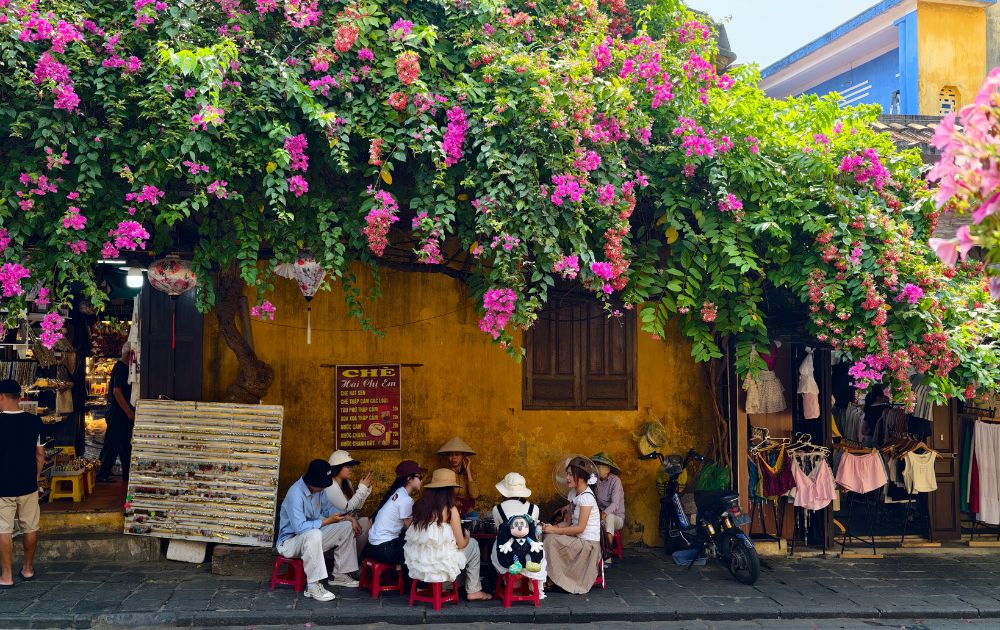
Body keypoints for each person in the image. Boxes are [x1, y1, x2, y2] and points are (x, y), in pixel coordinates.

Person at [275, 459, 360, 602]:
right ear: (312, 481)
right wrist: (326, 522)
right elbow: (300, 528)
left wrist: (349, 518)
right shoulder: (295, 493)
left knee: (346, 527)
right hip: (289, 543)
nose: (323, 488)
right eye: (321, 485)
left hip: (311, 539)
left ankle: (340, 574)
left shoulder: (318, 490)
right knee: (313, 533)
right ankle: (313, 586)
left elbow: (328, 510)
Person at [403, 468, 492, 601]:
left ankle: (445, 585)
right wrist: (467, 537)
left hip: (420, 566)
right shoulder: (450, 509)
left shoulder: (419, 506)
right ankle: (474, 590)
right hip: (440, 566)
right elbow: (461, 544)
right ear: (450, 490)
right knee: (473, 544)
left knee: (447, 552)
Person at [0, 379, 44, 588]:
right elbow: (40, 455)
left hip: (2, 485)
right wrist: (36, 477)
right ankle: (27, 568)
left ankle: (6, 576)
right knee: (30, 527)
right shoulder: (34, 422)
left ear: (1, 397)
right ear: (19, 397)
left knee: (3, 529)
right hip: (28, 483)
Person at [541, 456, 602, 594]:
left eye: (570, 474)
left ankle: (553, 579)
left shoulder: (586, 498)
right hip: (577, 540)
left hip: (587, 544)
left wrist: (554, 531)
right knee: (547, 536)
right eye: (567, 474)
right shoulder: (573, 494)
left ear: (580, 477)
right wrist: (550, 528)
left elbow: (580, 528)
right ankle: (553, 577)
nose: (567, 478)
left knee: (550, 540)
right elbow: (567, 522)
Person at [491, 472, 547, 596]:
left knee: (498, 545)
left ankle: (511, 582)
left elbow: (499, 530)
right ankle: (530, 580)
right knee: (538, 549)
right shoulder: (534, 508)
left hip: (506, 556)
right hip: (530, 552)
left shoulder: (497, 509)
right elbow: (532, 531)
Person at [365, 460, 425, 565]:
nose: (421, 481)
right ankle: (409, 576)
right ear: (409, 479)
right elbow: (411, 528)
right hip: (385, 549)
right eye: (420, 477)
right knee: (421, 549)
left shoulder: (398, 493)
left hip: (375, 547)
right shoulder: (405, 499)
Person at [97, 343, 135, 483]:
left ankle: (127, 473)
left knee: (125, 444)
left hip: (122, 413)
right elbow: (117, 392)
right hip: (118, 413)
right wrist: (129, 412)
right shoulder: (120, 368)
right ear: (129, 354)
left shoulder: (125, 368)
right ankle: (102, 473)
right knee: (112, 444)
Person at [324, 450, 373, 555]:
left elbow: (357, 507)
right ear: (337, 467)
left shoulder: (347, 483)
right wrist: (362, 489)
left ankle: (354, 558)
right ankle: (337, 558)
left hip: (346, 520)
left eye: (351, 466)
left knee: (367, 523)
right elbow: (346, 508)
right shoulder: (330, 485)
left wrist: (365, 490)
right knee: (352, 526)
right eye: (347, 466)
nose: (351, 469)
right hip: (332, 523)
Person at [592, 452, 625, 559]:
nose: (598, 468)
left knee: (609, 518)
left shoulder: (616, 481)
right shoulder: (595, 481)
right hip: (600, 516)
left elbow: (615, 503)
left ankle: (606, 556)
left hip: (616, 518)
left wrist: (604, 513)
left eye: (601, 465)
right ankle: (592, 554)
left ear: (608, 469)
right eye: (597, 465)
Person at [436, 436, 478, 516]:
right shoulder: (444, 474)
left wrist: (468, 471)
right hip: (449, 510)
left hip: (467, 511)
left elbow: (474, 495)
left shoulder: (470, 474)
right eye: (451, 455)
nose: (454, 458)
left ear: (463, 457)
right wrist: (452, 502)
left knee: (475, 516)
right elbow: (439, 496)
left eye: (457, 454)